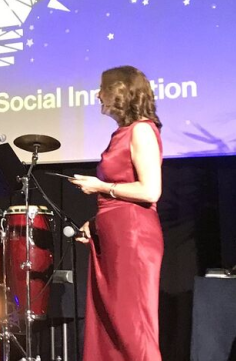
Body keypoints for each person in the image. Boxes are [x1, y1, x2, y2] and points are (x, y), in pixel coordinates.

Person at [70, 66, 164, 361]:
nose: (98, 95)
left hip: (133, 239)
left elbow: (150, 191)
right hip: (115, 236)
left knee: (132, 327)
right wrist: (96, 223)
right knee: (110, 327)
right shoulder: (120, 134)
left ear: (120, 92)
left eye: (103, 89)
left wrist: (101, 186)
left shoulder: (141, 130)